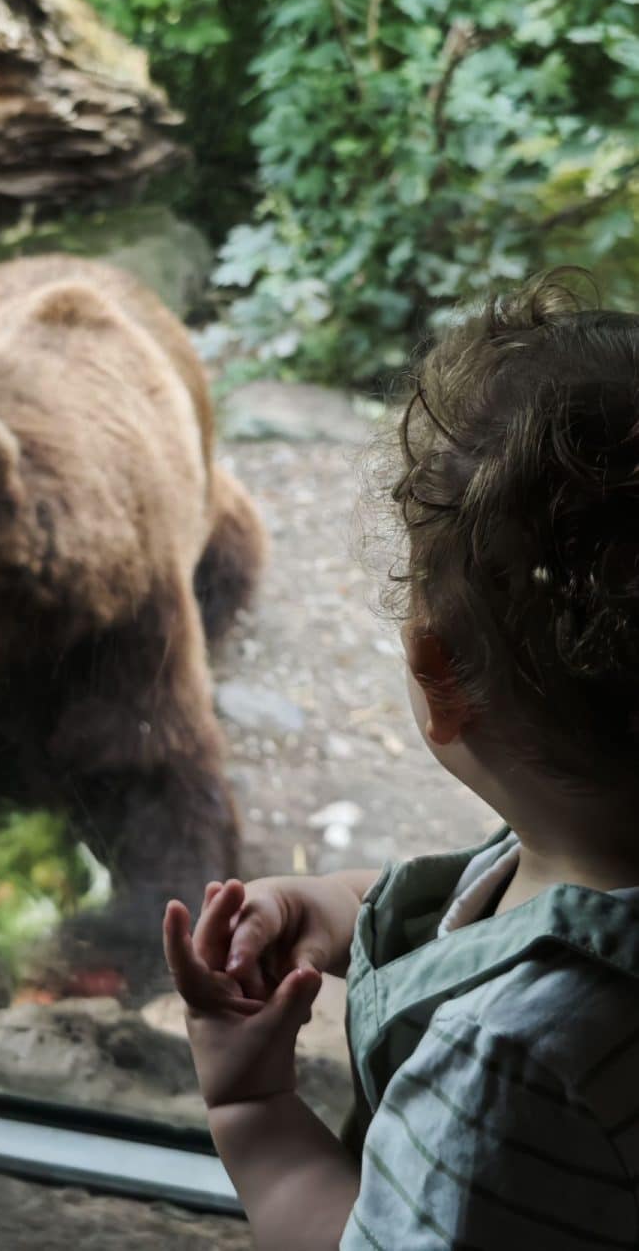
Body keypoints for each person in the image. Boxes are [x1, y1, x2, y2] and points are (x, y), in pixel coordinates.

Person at [164, 272, 639, 1248]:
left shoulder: (505, 1062)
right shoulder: (597, 836)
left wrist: (255, 1117)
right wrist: (338, 910)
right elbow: (503, 896)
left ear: (439, 675)